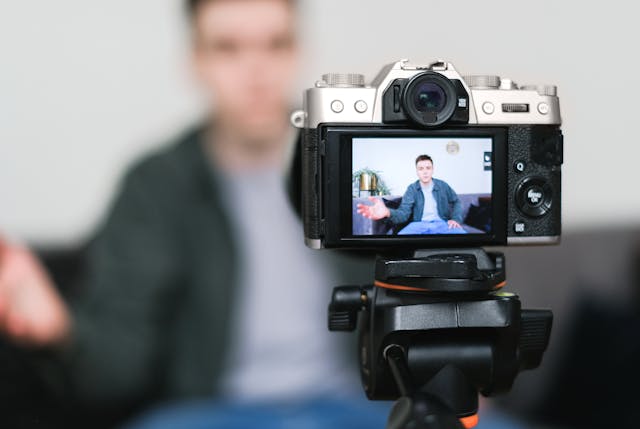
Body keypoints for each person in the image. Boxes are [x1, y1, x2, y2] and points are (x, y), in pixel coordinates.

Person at [0, 0, 382, 426]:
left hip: (354, 406)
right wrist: (57, 328)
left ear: (299, 51)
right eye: (228, 48)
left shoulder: (357, 165)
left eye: (275, 44)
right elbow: (117, 368)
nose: (256, 70)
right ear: (194, 61)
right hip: (211, 415)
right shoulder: (156, 186)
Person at [357, 154, 467, 235]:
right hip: (418, 225)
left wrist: (456, 219)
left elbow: (456, 201)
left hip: (442, 224)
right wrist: (387, 212)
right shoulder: (412, 189)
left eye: (428, 168)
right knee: (400, 240)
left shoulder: (443, 185)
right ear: (417, 171)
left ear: (432, 170)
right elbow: (403, 214)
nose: (425, 172)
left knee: (464, 238)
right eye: (421, 169)